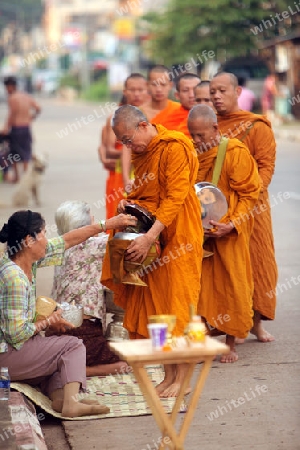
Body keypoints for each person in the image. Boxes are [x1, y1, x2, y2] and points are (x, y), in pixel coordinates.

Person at [101, 105, 203, 397]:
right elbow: (145, 192)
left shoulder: (174, 147)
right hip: (152, 237)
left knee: (177, 307)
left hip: (178, 235)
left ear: (144, 125)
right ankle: (169, 374)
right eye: (123, 142)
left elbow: (174, 198)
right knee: (156, 312)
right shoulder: (140, 150)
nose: (128, 147)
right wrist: (127, 201)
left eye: (129, 139)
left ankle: (182, 378)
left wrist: (148, 237)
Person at [0, 209, 137, 417]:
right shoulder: (14, 277)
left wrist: (106, 225)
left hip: (14, 351)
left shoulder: (28, 261)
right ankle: (72, 404)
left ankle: (61, 400)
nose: (48, 240)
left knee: (55, 358)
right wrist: (48, 321)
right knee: (72, 345)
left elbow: (67, 240)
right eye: (44, 233)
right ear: (29, 240)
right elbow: (15, 334)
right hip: (7, 356)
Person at [188, 104, 261, 362]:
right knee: (199, 288)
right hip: (201, 232)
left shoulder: (234, 152)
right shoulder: (192, 154)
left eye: (201, 135)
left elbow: (250, 194)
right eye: (192, 135)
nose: (196, 141)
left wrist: (231, 224)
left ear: (215, 129)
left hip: (229, 232)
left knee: (232, 284)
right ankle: (201, 340)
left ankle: (230, 342)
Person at [210, 72, 277, 342]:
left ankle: (256, 323)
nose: (216, 96)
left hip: (254, 208)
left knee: (258, 263)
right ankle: (231, 322)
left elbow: (266, 167)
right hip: (220, 208)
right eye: (212, 91)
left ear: (237, 92)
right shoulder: (209, 127)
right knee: (228, 269)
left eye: (222, 90)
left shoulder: (256, 126)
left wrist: (248, 193)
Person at [49, 200, 132, 376]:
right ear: (85, 227)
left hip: (54, 330)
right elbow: (129, 242)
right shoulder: (92, 245)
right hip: (82, 330)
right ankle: (78, 370)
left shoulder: (59, 247)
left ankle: (66, 365)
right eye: (93, 221)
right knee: (126, 363)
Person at [1, 76, 41, 183]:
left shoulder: (12, 98)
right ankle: (27, 177)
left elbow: (12, 114)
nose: (6, 90)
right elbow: (38, 108)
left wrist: (6, 128)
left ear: (10, 86)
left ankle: (18, 177)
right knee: (26, 152)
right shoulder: (26, 96)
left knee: (15, 154)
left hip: (16, 129)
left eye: (7, 88)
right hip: (26, 128)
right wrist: (31, 118)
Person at [175, 73, 201, 137]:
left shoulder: (213, 116)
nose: (191, 95)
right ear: (177, 95)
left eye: (195, 89)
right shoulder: (169, 120)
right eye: (185, 90)